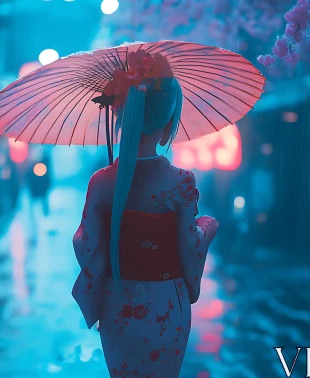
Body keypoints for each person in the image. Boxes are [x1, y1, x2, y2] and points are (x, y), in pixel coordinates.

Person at [71, 77, 219, 377]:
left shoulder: (101, 181)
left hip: (118, 302)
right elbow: (189, 246)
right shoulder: (181, 181)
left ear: (119, 115)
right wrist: (208, 226)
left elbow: (85, 244)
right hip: (166, 304)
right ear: (168, 126)